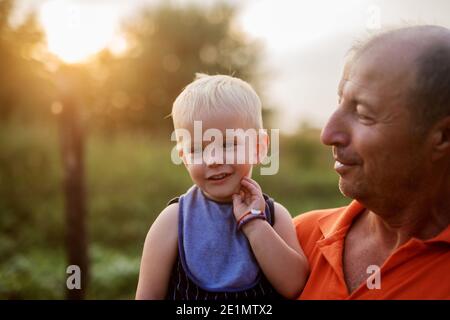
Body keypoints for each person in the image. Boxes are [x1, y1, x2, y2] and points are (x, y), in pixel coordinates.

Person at [294, 25, 450, 299]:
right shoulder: (296, 240)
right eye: (340, 102)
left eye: (363, 114)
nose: (328, 134)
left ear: (443, 136)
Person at [136, 74, 309, 300]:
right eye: (197, 149)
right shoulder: (173, 220)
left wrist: (255, 223)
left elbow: (295, 285)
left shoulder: (274, 216)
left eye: (228, 144)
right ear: (184, 158)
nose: (214, 159)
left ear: (259, 147)